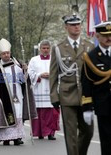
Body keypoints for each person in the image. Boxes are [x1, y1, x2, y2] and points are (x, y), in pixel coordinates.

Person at [49, 14, 95, 155]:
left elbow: (94, 74)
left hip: (86, 96)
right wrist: (54, 97)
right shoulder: (58, 48)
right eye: (73, 24)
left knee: (88, 131)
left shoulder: (89, 46)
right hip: (67, 95)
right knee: (71, 134)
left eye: (78, 24)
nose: (76, 27)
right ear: (66, 27)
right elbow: (53, 75)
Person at [0, 38, 37, 145]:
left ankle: (17, 137)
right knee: (6, 114)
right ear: (0, 55)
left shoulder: (17, 63)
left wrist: (25, 71)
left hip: (17, 94)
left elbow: (23, 80)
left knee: (18, 115)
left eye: (7, 53)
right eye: (4, 53)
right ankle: (6, 138)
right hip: (3, 96)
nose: (6, 55)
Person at [81, 21, 111, 155]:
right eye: (105, 35)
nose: (109, 38)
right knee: (107, 140)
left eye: (110, 35)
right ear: (97, 36)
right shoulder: (91, 57)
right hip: (103, 104)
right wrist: (87, 108)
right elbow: (86, 83)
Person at [28, 40, 60, 140]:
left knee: (51, 112)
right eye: (43, 48)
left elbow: (61, 71)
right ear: (40, 49)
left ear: (50, 49)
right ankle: (39, 132)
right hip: (39, 89)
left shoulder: (55, 59)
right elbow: (30, 73)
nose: (45, 50)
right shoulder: (34, 60)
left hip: (52, 89)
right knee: (39, 112)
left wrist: (52, 75)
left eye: (47, 48)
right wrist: (39, 75)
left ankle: (51, 133)